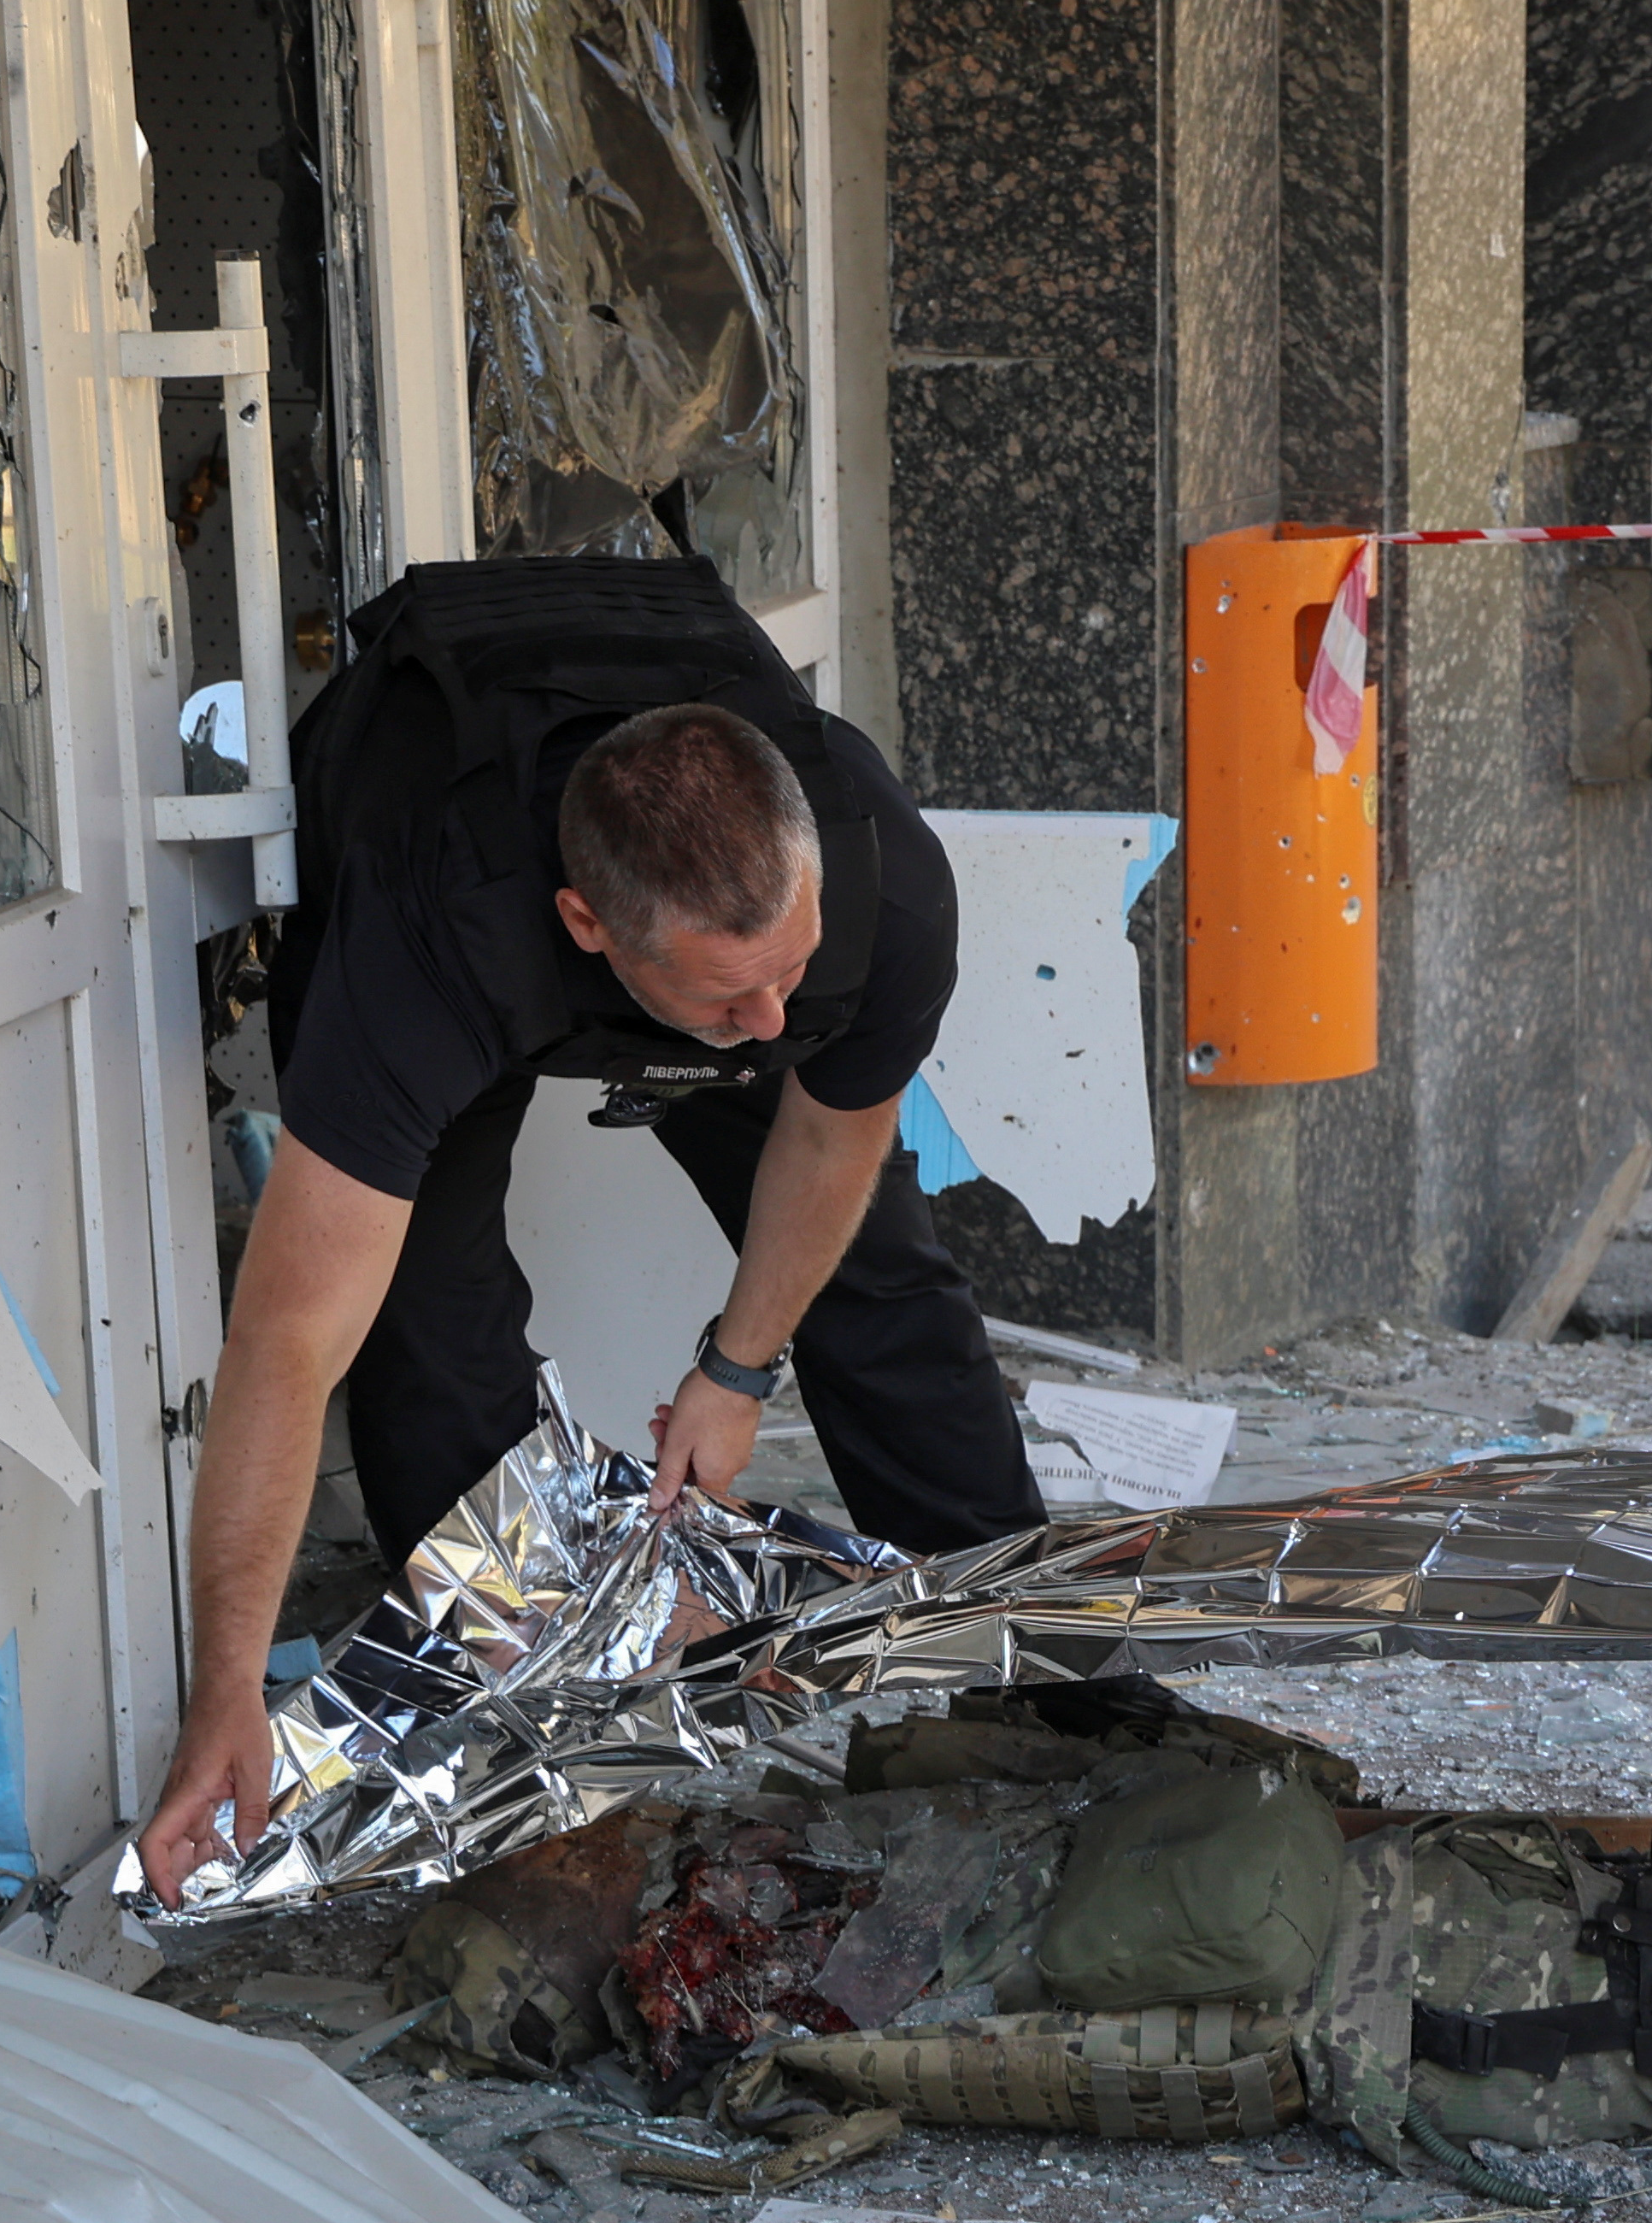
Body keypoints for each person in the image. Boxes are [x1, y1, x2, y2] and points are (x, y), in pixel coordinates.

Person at [132, 554, 1047, 1904]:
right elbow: (286, 1345)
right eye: (735, 998)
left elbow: (830, 1131)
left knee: (877, 1274)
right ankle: (541, 1746)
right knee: (420, 1332)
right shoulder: (427, 945)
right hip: (423, 778)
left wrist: (737, 1372)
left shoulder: (878, 886)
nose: (773, 1029)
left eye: (788, 976)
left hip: (679, 837)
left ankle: (1026, 1686)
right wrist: (228, 1694)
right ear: (589, 931)